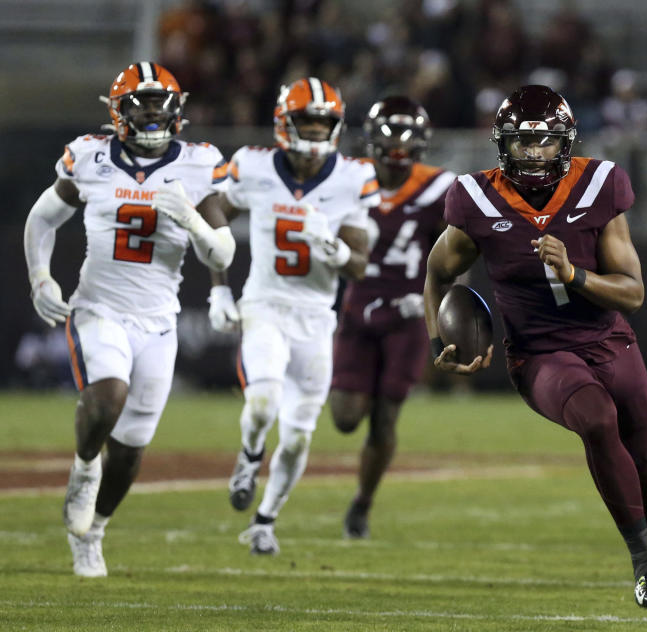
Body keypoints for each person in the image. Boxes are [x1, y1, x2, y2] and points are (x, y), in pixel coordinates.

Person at [423, 85, 647, 621]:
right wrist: (440, 339)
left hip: (610, 341)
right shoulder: (477, 199)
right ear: (502, 144)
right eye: (521, 143)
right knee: (597, 420)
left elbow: (634, 293)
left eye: (544, 142)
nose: (532, 154)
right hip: (540, 354)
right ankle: (644, 559)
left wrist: (574, 274)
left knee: (643, 456)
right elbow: (438, 272)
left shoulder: (599, 185)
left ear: (564, 142)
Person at [23, 62, 236, 577]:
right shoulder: (91, 157)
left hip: (158, 322)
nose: (150, 113)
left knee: (131, 449)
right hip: (100, 308)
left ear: (177, 110)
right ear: (118, 112)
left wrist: (191, 219)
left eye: (159, 103)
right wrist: (40, 278)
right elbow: (41, 217)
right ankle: (81, 467)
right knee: (108, 394)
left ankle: (93, 532)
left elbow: (223, 254)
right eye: (140, 103)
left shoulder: (198, 163)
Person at [212, 77, 380, 555]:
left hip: (315, 314)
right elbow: (213, 222)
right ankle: (248, 456)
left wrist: (332, 248)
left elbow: (361, 263)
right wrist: (220, 290)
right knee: (263, 402)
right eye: (304, 124)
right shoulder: (253, 166)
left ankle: (265, 521)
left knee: (298, 440)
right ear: (284, 125)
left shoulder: (353, 176)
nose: (312, 136)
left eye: (321, 125)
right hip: (265, 303)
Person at [328, 96, 455, 539]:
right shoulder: (348, 178)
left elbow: (456, 256)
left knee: (384, 418)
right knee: (344, 416)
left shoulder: (439, 187)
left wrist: (434, 301)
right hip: (358, 306)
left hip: (406, 314)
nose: (397, 151)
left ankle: (362, 504)